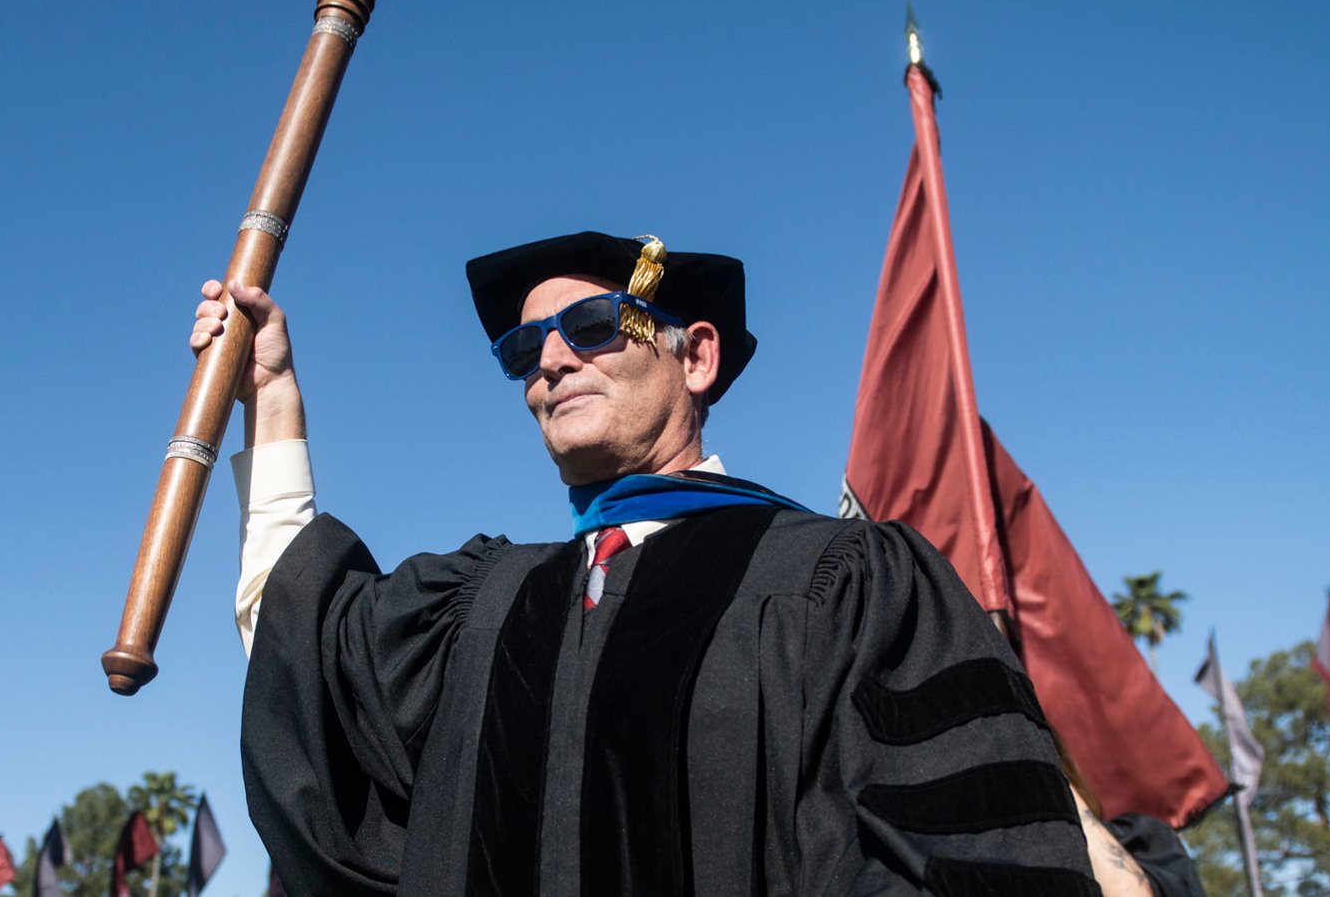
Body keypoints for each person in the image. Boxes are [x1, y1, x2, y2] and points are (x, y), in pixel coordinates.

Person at [196, 231, 1102, 896]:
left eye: (592, 323)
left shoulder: (846, 581)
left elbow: (981, 861)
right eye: (523, 348)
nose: (550, 358)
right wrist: (271, 398)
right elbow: (303, 642)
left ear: (695, 355)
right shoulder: (484, 609)